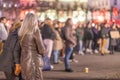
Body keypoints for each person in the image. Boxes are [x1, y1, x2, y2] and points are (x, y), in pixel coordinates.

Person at [18, 13, 45, 80]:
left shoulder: (21, 32)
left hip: (24, 59)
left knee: (26, 77)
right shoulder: (35, 31)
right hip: (34, 60)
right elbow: (41, 49)